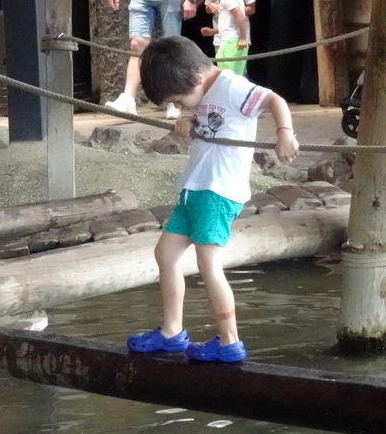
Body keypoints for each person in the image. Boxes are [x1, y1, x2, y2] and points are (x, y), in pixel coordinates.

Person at [125, 36, 299, 363]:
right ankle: (172, 331)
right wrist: (188, 118)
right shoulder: (202, 92)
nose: (180, 105)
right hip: (194, 189)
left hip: (217, 192)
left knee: (208, 265)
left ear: (198, 79)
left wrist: (284, 132)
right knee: (165, 254)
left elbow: (274, 99)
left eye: (179, 99)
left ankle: (229, 340)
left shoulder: (232, 87)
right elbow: (206, 116)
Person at [200, 0, 250, 75]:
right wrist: (213, 31)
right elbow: (231, 23)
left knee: (227, 76)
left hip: (230, 42)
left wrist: (242, 38)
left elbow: (240, 17)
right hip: (233, 40)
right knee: (236, 76)